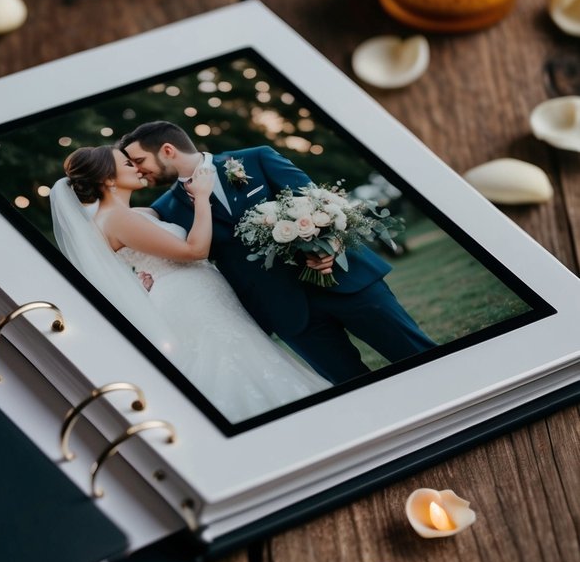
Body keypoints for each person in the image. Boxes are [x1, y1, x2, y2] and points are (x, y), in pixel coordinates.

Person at [119, 122, 436, 385]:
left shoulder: (257, 158)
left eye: (139, 161)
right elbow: (163, 248)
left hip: (347, 282)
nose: (138, 170)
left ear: (167, 151)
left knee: (420, 357)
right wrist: (151, 276)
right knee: (352, 387)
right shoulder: (166, 209)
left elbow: (324, 203)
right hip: (286, 312)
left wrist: (333, 245)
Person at [50, 146, 330, 424]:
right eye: (127, 163)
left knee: (242, 351)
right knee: (226, 358)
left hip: (199, 291)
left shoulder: (134, 213)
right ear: (108, 179)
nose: (137, 167)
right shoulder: (119, 218)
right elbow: (195, 251)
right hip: (189, 299)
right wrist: (203, 197)